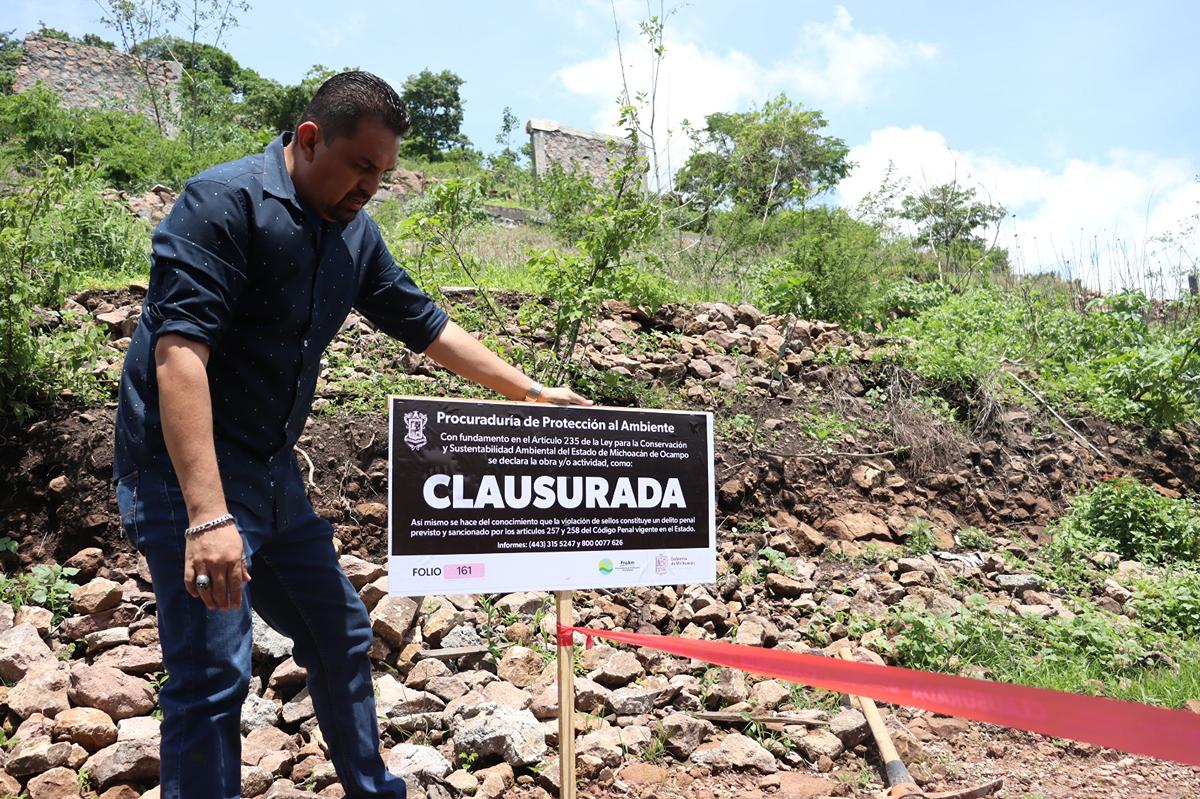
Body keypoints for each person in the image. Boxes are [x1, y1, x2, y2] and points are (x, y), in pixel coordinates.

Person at [113, 70, 589, 799]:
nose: (372, 186)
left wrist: (529, 391)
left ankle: (374, 788)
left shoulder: (355, 235)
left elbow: (426, 323)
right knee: (214, 674)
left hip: (272, 474)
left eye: (384, 174)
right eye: (361, 166)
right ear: (310, 140)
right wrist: (208, 516)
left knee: (337, 631)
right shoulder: (224, 203)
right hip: (189, 475)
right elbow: (179, 356)